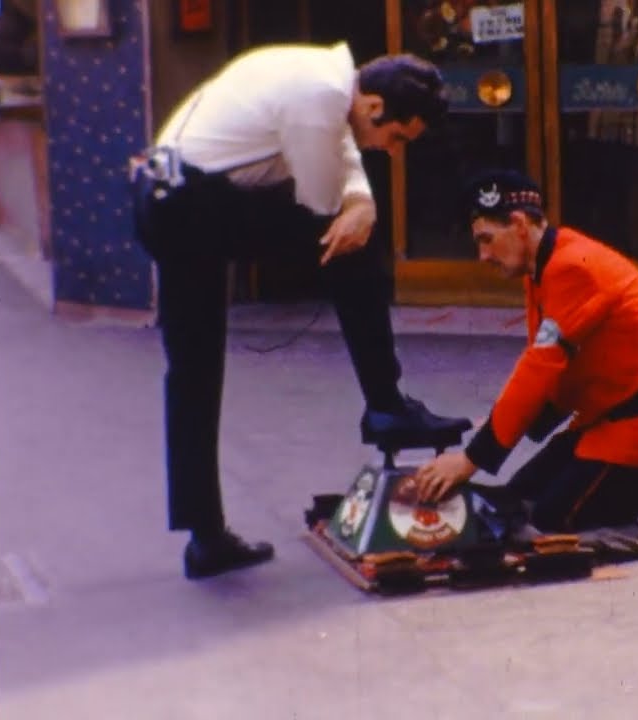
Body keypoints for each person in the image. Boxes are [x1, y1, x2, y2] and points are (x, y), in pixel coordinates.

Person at [131, 43, 471, 580]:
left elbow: (343, 157)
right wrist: (361, 207)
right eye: (397, 137)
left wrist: (359, 202)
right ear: (375, 107)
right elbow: (325, 200)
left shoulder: (327, 81)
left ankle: (205, 538)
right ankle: (385, 403)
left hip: (163, 196)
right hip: (192, 206)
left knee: (193, 374)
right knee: (353, 242)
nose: (393, 151)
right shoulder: (319, 97)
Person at [413, 169, 638, 536]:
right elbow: (551, 372)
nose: (482, 255)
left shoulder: (573, 267)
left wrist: (470, 459)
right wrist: (488, 435)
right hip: (610, 411)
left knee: (551, 519)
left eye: (487, 239)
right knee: (519, 494)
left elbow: (538, 367)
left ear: (519, 224)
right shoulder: (542, 269)